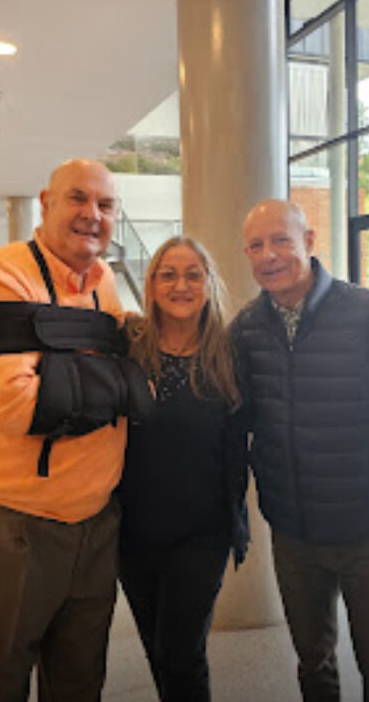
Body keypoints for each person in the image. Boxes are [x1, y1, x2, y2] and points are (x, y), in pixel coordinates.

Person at [231, 200, 369, 702]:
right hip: (294, 534)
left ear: (309, 241)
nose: (269, 255)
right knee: (313, 661)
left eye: (281, 240)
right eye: (256, 245)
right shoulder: (246, 329)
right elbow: (237, 425)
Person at [0, 158, 128, 702]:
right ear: (45, 203)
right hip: (6, 527)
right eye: (78, 198)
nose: (92, 214)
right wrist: (120, 385)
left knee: (79, 684)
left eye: (106, 205)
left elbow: (119, 366)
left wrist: (61, 371)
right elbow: (17, 407)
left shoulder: (105, 283)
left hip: (96, 524)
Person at [117, 236, 249, 702]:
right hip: (132, 532)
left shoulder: (230, 356)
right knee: (157, 647)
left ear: (209, 285)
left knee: (180, 653)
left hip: (202, 534)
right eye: (168, 275)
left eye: (194, 274)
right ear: (151, 285)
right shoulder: (126, 348)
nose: (181, 285)